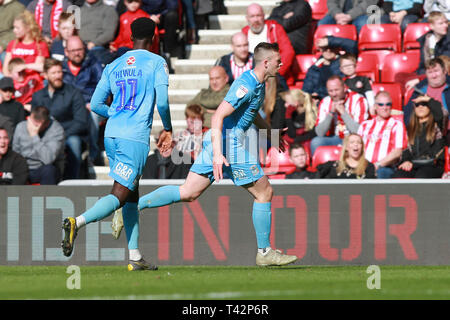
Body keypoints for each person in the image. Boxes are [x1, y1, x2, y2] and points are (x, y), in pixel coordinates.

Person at [138, 42, 298, 267]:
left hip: (218, 143)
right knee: (264, 192)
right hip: (227, 144)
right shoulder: (246, 85)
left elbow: (250, 113)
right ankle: (264, 252)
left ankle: (135, 204)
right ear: (266, 62)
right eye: (278, 61)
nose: (281, 64)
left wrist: (269, 134)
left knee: (188, 192)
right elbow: (217, 117)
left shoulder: (260, 84)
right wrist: (217, 155)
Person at [61, 18, 173, 271]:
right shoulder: (157, 62)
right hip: (133, 137)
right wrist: (167, 127)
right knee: (120, 195)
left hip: (111, 135)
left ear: (131, 37)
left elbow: (98, 104)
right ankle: (75, 222)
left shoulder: (113, 65)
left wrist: (118, 113)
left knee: (131, 194)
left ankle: (135, 255)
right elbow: (163, 103)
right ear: (154, 38)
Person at [30, 58, 89, 180]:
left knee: (74, 143)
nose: (58, 76)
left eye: (59, 72)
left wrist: (62, 136)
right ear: (45, 75)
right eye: (53, 73)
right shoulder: (38, 95)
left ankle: (72, 181)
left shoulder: (73, 93)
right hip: (44, 135)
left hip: (68, 134)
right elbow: (33, 121)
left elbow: (81, 121)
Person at [310, 75, 369, 156]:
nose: (334, 94)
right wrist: (330, 113)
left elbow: (360, 132)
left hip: (353, 139)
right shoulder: (325, 102)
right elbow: (320, 133)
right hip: (334, 138)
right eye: (330, 91)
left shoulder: (359, 100)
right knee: (316, 142)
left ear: (344, 88)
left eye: (336, 90)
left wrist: (343, 113)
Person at [393, 95, 446, 178]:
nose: (420, 107)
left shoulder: (437, 124)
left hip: (433, 165)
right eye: (417, 105)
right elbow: (406, 149)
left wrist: (428, 99)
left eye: (424, 104)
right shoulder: (409, 128)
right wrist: (406, 161)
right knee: (399, 175)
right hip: (414, 164)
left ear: (430, 107)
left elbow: (441, 112)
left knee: (421, 175)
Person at [357, 91, 407, 178]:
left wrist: (377, 165)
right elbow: (356, 146)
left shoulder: (396, 124)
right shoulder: (364, 125)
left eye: (388, 104)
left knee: (381, 173)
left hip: (384, 167)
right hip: (363, 165)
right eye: (381, 104)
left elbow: (397, 152)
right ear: (375, 106)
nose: (385, 107)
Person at [242, 3, 295, 83]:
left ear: (263, 16)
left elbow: (288, 53)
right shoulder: (244, 33)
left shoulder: (275, 29)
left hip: (276, 78)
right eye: (252, 16)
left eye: (258, 15)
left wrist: (274, 74)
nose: (256, 19)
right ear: (247, 18)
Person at [12, 105, 65, 184]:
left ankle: (47, 195)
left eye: (36, 125)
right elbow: (15, 152)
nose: (32, 127)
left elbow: (48, 159)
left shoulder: (57, 130)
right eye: (31, 122)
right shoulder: (21, 126)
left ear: (46, 124)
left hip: (43, 168)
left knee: (49, 170)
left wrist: (34, 136)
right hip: (23, 167)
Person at [302, 35, 358, 100]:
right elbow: (306, 91)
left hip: (340, 100)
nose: (328, 50)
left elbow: (353, 46)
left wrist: (329, 41)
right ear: (320, 49)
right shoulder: (314, 69)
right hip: (320, 104)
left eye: (332, 47)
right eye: (325, 48)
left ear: (338, 48)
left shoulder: (344, 63)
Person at [404, 57, 449, 136]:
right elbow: (408, 116)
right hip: (423, 135)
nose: (434, 75)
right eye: (430, 72)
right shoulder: (419, 91)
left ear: (444, 71)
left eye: (436, 71)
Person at [2, 10, 49, 77]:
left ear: (28, 28)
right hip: (13, 80)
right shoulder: (12, 44)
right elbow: (5, 70)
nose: (14, 30)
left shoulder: (40, 45)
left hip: (32, 81)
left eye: (17, 28)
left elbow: (40, 67)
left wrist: (24, 66)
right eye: (14, 27)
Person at [79, 0, 119, 65]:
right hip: (79, 47)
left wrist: (94, 43)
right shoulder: (79, 11)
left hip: (98, 47)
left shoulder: (108, 10)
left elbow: (109, 34)